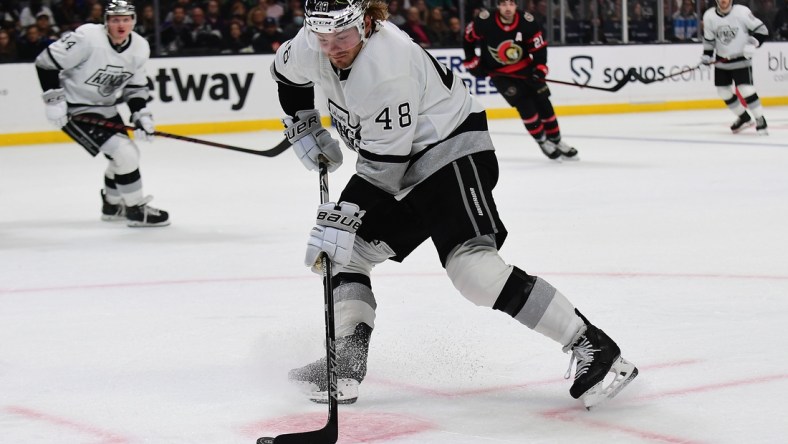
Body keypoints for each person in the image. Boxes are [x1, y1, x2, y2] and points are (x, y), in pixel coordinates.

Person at [270, 0, 638, 410]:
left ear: (368, 23)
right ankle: (346, 364)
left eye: (344, 35)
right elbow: (287, 76)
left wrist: (341, 214)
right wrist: (300, 122)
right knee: (345, 256)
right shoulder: (312, 43)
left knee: (474, 272)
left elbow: (383, 170)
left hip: (449, 153)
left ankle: (593, 346)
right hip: (401, 164)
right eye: (324, 38)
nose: (334, 47)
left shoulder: (387, 65)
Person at [34, 0, 169, 227]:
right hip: (75, 110)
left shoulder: (140, 47)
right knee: (126, 155)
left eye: (126, 19)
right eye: (115, 19)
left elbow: (135, 87)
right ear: (106, 22)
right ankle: (135, 210)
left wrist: (140, 113)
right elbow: (45, 63)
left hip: (106, 108)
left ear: (133, 21)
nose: (121, 24)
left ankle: (112, 205)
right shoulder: (87, 37)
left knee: (123, 158)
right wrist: (53, 99)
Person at [462, 0, 578, 161]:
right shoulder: (485, 21)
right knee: (526, 107)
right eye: (503, 4)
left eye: (511, 4)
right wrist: (471, 61)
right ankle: (543, 141)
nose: (507, 8)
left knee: (544, 104)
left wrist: (539, 68)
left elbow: (538, 49)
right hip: (501, 75)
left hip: (526, 69)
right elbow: (468, 38)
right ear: (498, 6)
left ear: (516, 5)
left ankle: (557, 141)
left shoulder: (527, 22)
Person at [701, 0, 769, 134]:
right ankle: (744, 117)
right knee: (723, 92)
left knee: (746, 89)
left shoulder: (741, 12)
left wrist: (752, 43)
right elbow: (709, 41)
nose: (723, 1)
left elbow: (762, 30)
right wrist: (706, 57)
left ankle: (760, 119)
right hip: (722, 61)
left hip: (741, 60)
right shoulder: (709, 16)